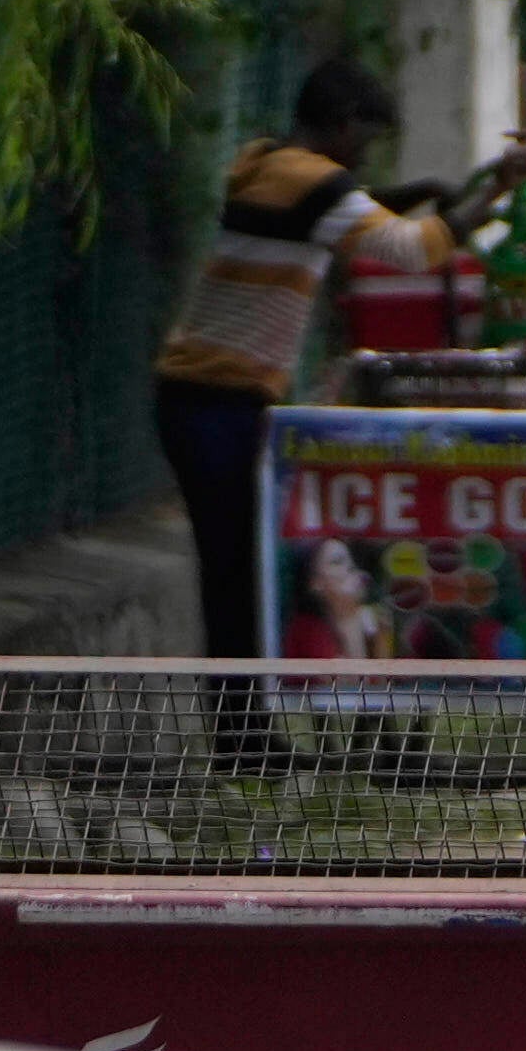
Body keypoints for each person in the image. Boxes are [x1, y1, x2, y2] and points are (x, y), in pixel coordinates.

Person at [151, 56, 400, 662]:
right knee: (236, 566)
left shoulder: (267, 163)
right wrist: (480, 200)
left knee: (240, 567)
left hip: (201, 394)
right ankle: (242, 738)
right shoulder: (314, 183)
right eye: (365, 139)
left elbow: (352, 213)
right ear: (343, 123)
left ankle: (246, 730)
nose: (363, 157)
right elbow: (410, 248)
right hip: (217, 398)